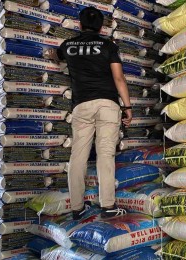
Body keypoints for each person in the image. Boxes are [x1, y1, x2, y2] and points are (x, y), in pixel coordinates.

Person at [50, 7, 132, 220]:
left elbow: (56, 57)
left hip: (81, 107)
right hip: (107, 105)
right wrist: (128, 107)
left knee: (78, 156)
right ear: (101, 27)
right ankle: (108, 206)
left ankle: (77, 208)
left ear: (79, 25)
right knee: (105, 154)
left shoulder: (68, 46)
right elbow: (119, 78)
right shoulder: (108, 45)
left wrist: (51, 54)